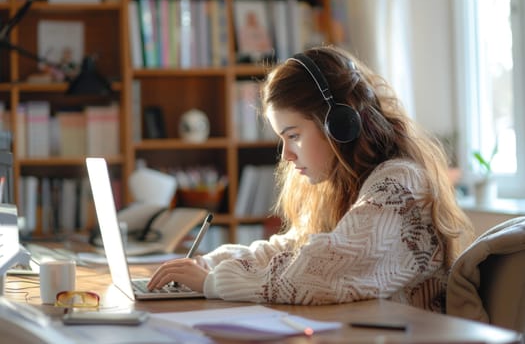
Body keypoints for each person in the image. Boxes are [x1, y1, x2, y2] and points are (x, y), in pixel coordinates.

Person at [148, 45, 473, 313]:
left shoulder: (399, 184)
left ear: (338, 124)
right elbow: (294, 246)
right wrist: (209, 262)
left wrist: (212, 282)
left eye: (294, 135)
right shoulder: (345, 184)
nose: (287, 155)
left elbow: (326, 268)